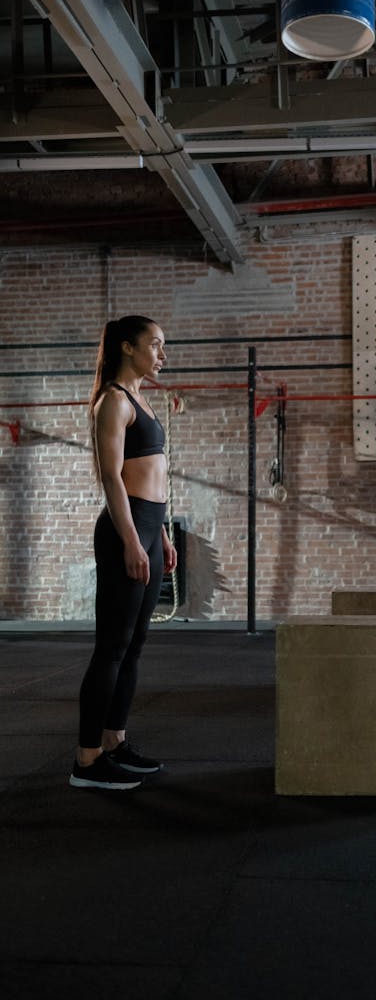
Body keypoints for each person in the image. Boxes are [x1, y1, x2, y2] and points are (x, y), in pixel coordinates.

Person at [70, 315, 177, 789]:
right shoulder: (113, 402)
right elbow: (112, 477)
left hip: (151, 530)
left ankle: (114, 741)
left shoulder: (142, 402)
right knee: (111, 648)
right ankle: (87, 761)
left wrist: (163, 536)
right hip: (125, 531)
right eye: (154, 345)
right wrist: (133, 539)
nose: (162, 354)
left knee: (134, 647)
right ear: (128, 348)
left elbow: (155, 475)